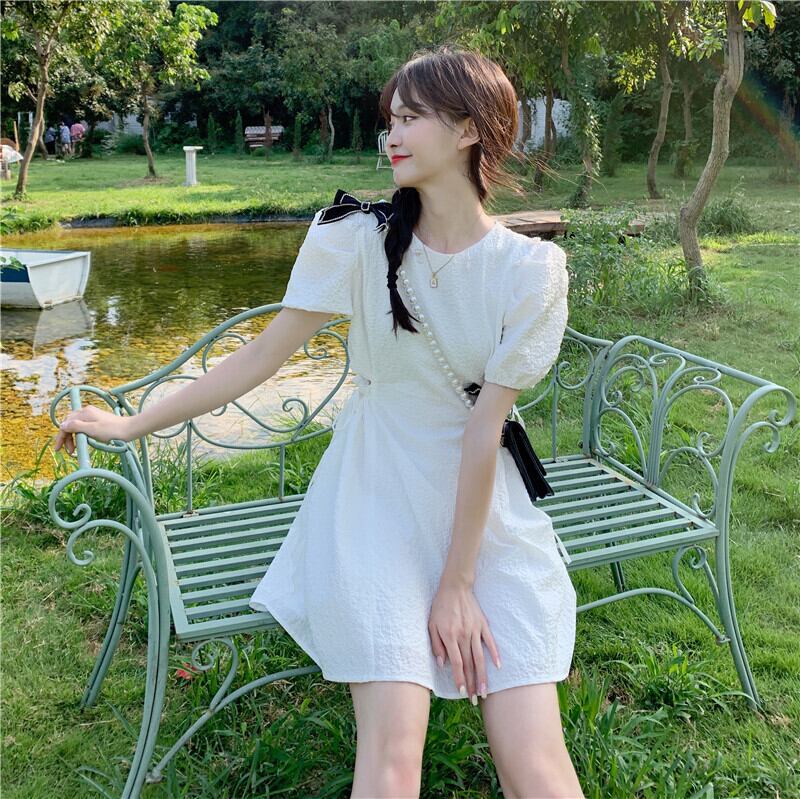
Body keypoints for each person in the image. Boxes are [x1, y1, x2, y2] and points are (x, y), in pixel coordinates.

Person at [54, 45, 584, 799]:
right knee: (393, 756)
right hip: (373, 500)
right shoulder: (355, 238)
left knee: (534, 761)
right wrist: (133, 423)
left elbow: (482, 431)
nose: (392, 135)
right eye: (390, 119)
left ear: (469, 129)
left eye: (412, 118)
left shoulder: (531, 272)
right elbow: (261, 356)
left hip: (484, 513)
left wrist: (458, 582)